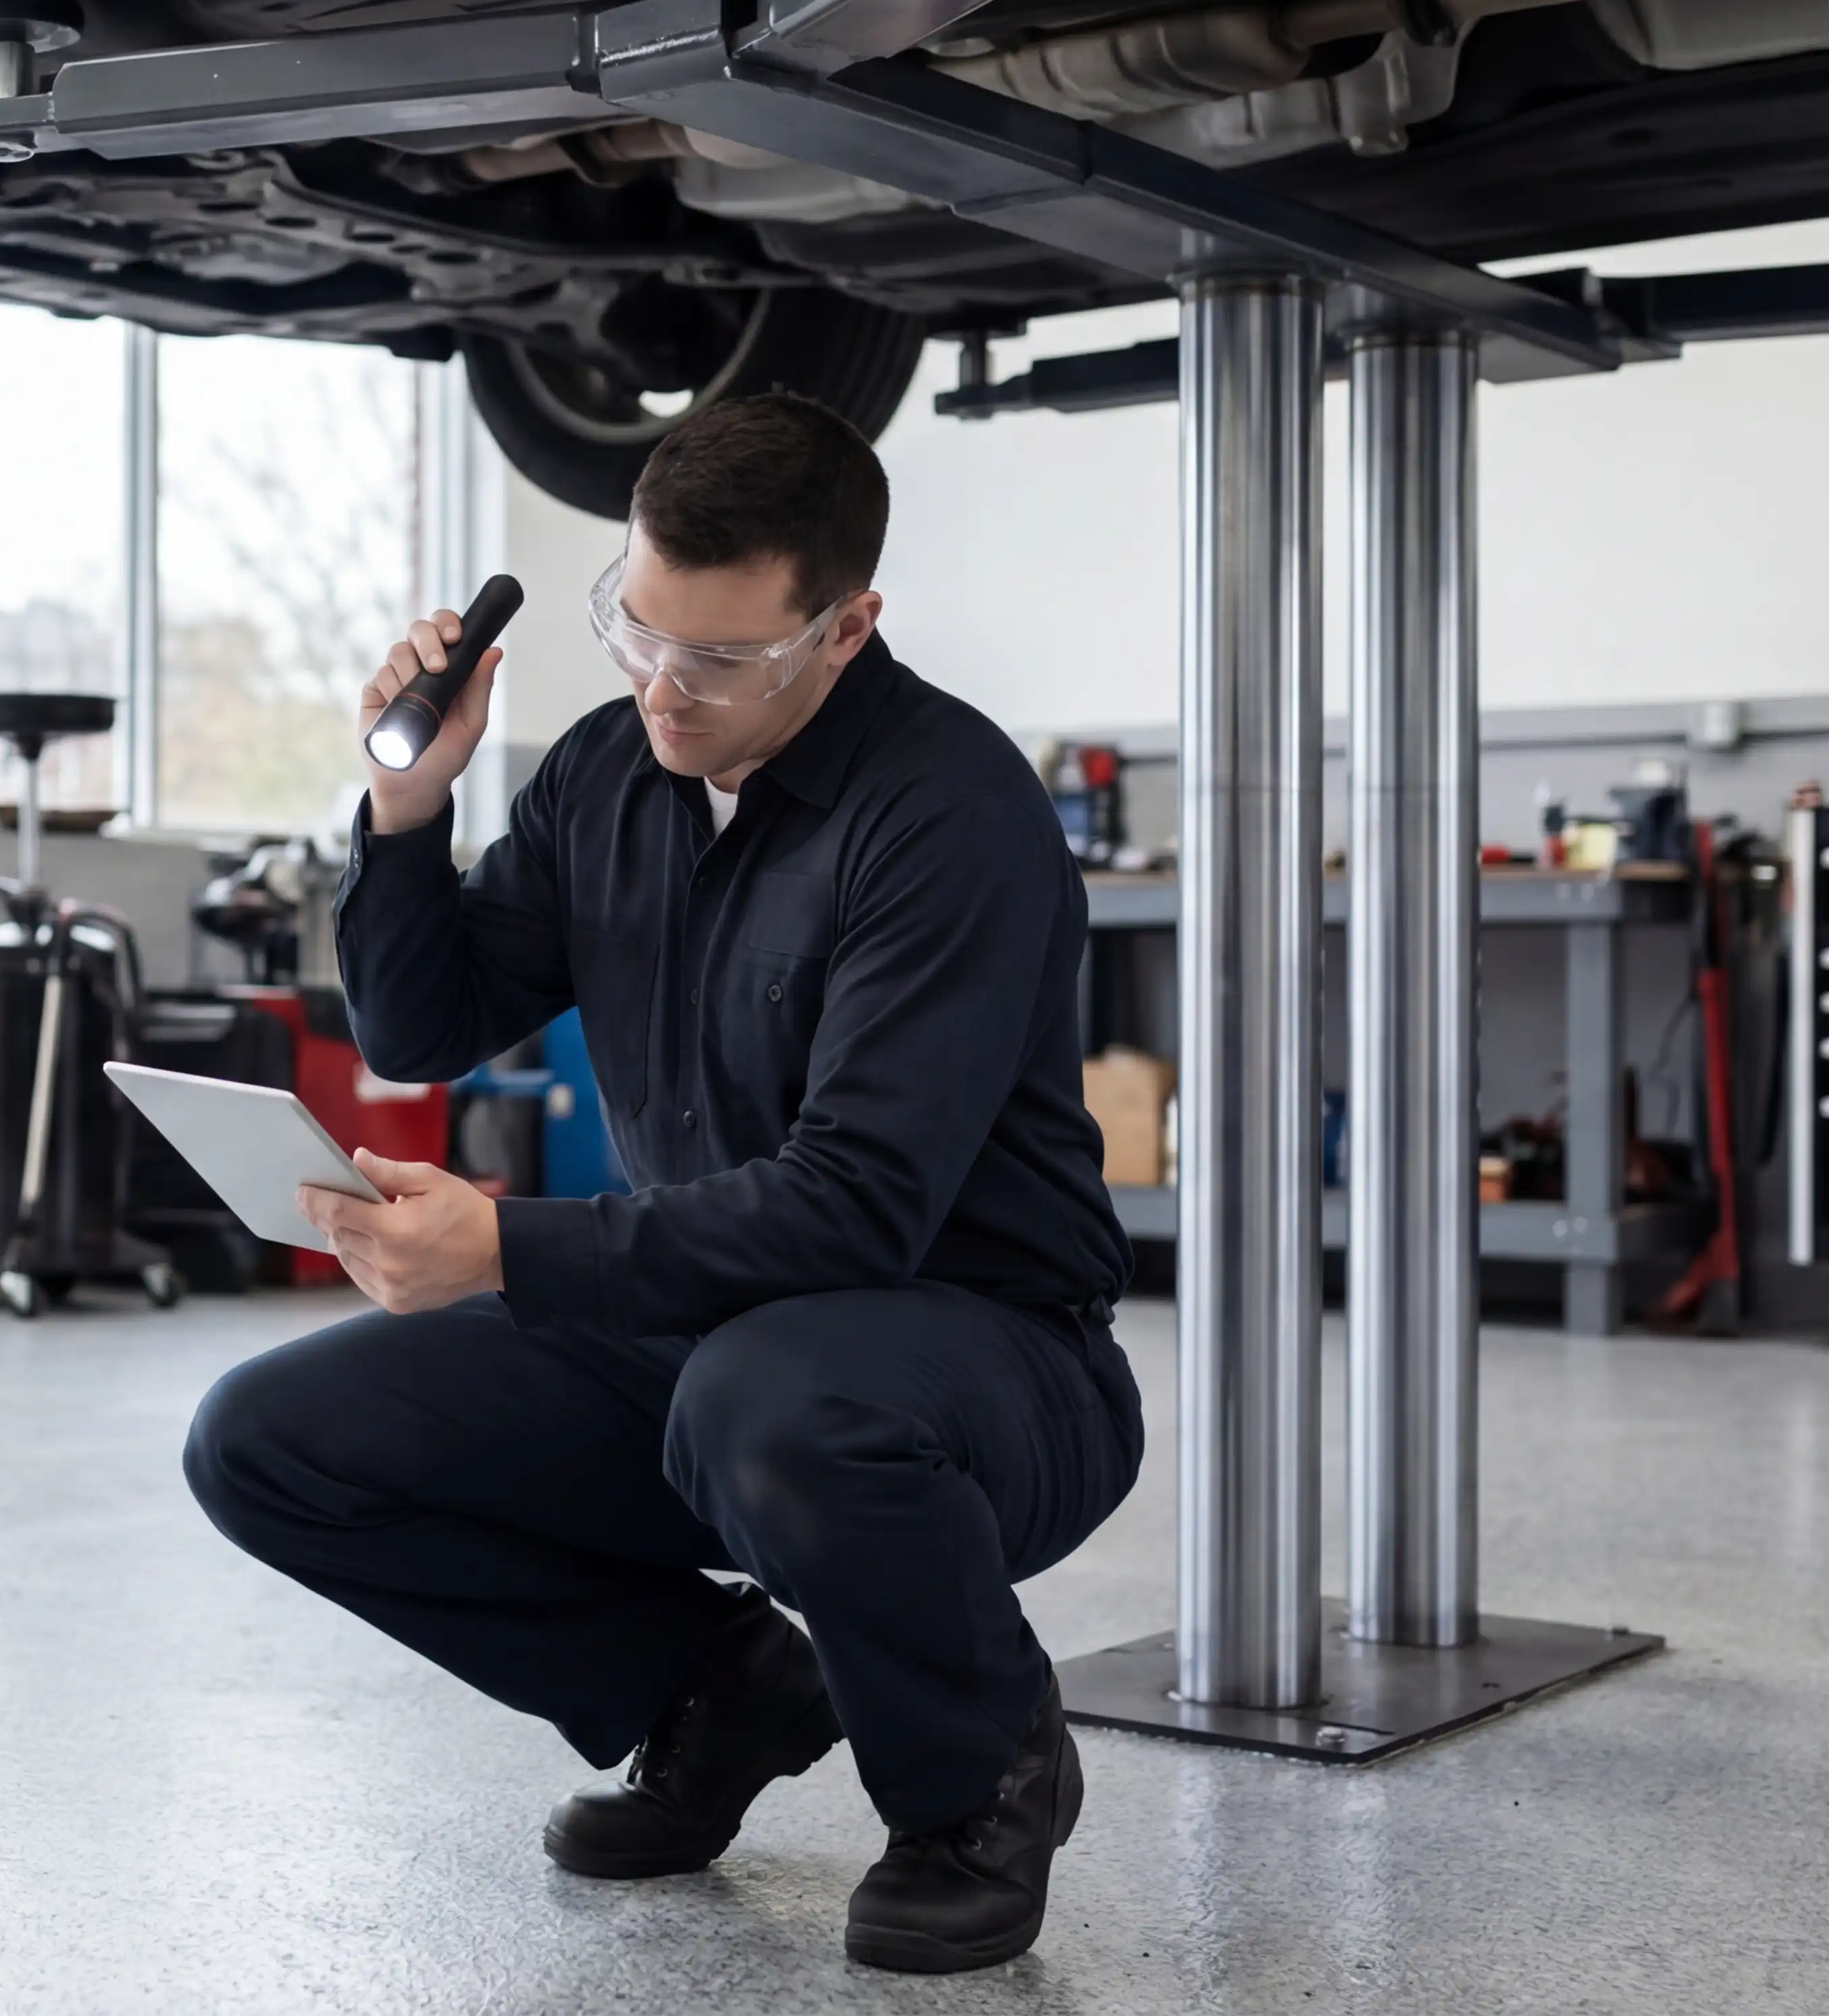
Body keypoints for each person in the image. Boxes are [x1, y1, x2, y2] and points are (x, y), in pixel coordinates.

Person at [179, 394, 1142, 1975]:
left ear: (846, 630)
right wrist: (406, 805)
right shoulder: (605, 776)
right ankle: (712, 1688)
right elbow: (422, 1032)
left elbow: (854, 1208)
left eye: (717, 661)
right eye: (636, 631)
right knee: (267, 1444)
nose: (662, 691)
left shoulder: (949, 815)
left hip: (979, 1360)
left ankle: (979, 1780)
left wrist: (505, 1249)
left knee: (773, 1400)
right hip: (693, 1339)